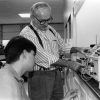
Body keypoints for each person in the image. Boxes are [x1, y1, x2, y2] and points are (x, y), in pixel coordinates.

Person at [20, 2, 78, 100]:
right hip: (39, 77)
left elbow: (63, 47)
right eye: (43, 21)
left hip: (56, 73)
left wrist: (78, 49)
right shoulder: (27, 34)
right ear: (33, 18)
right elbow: (44, 57)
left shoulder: (50, 29)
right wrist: (70, 64)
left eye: (49, 19)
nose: (46, 23)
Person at [0, 36, 37, 100]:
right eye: (33, 54)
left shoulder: (15, 78)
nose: (35, 60)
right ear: (24, 53)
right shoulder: (7, 81)